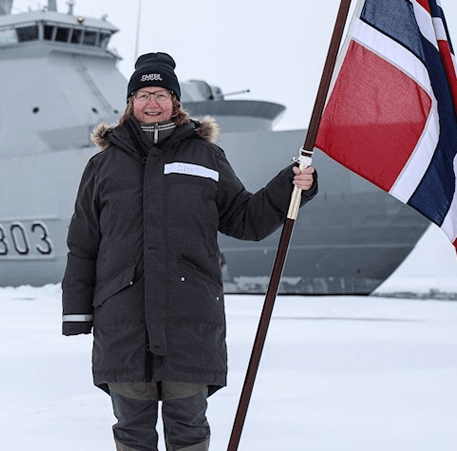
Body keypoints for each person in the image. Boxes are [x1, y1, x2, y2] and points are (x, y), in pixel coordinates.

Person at [62, 52, 317, 451]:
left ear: (175, 102)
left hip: (190, 322)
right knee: (131, 433)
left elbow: (244, 219)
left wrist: (291, 186)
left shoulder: (206, 156)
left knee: (189, 431)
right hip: (123, 324)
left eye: (161, 94)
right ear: (129, 103)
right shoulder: (103, 165)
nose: (152, 103)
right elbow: (83, 245)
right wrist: (76, 313)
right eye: (143, 94)